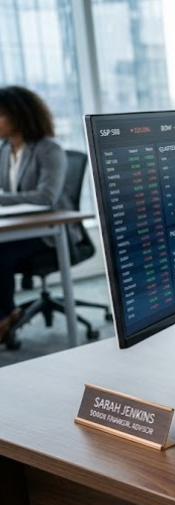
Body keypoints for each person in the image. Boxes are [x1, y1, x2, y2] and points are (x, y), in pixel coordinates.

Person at [0, 85, 70, 345]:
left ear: (19, 115)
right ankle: (8, 312)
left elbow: (46, 197)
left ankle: (4, 318)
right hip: (17, 229)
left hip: (50, 234)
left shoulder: (48, 149)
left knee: (1, 254)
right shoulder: (5, 150)